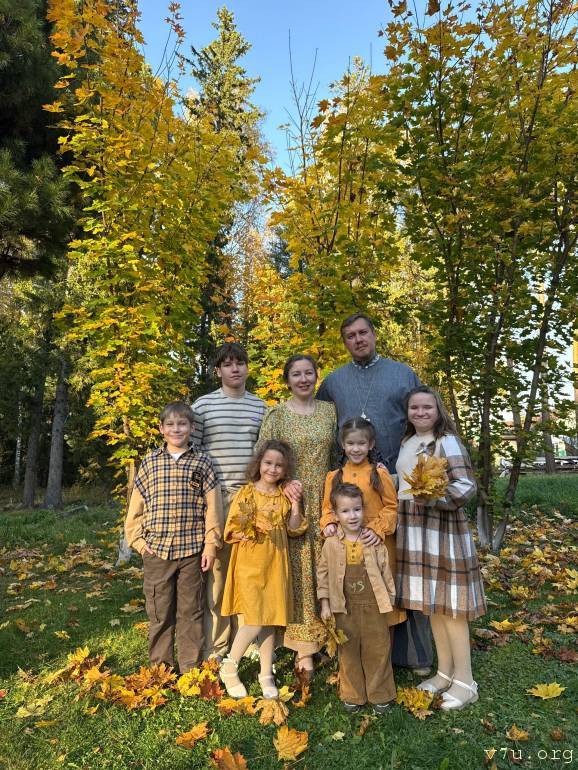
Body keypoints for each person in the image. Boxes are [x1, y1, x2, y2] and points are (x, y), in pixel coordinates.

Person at [316, 312, 432, 672]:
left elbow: (422, 417)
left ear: (374, 334)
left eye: (363, 332)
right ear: (344, 342)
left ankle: (414, 654)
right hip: (352, 489)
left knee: (403, 566)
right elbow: (322, 424)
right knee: (361, 569)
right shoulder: (333, 382)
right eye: (350, 336)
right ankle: (358, 645)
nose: (358, 339)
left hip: (397, 481)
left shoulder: (402, 374)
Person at [396, 386, 486, 710]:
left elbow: (466, 485)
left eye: (427, 407)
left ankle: (465, 681)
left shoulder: (446, 441)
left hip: (442, 530)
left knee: (452, 607)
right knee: (433, 605)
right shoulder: (407, 442)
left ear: (438, 411)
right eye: (414, 407)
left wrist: (435, 499)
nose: (420, 413)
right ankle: (444, 673)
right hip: (414, 530)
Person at [125, 401, 222, 672]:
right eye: (170, 424)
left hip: (192, 552)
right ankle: (162, 669)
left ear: (192, 428)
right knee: (160, 612)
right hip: (157, 551)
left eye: (182, 424)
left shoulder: (202, 462)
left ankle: (191, 669)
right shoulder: (150, 462)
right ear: (161, 428)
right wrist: (139, 543)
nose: (176, 429)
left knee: (191, 612)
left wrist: (210, 545)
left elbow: (213, 508)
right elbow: (135, 507)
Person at [258, 354, 336, 677]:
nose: (303, 379)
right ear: (287, 380)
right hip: (291, 499)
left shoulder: (330, 411)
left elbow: (339, 453)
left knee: (326, 567)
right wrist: (285, 483)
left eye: (308, 373)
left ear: (316, 376)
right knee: (300, 570)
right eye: (296, 374)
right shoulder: (276, 415)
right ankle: (302, 649)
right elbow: (264, 460)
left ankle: (329, 637)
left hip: (326, 498)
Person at [192, 342, 266, 660]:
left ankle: (246, 641)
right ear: (218, 370)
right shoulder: (203, 406)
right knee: (218, 574)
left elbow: (265, 456)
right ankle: (217, 645)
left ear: (247, 368)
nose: (235, 369)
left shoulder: (260, 407)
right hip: (216, 498)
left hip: (249, 499)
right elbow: (193, 453)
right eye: (228, 364)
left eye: (240, 363)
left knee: (249, 572)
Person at [219, 439, 307, 699]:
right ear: (259, 463)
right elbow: (232, 529)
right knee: (255, 619)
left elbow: (294, 529)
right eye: (268, 463)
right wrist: (246, 531)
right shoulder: (246, 493)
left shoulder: (283, 494)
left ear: (285, 469)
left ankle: (266, 673)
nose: (272, 469)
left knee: (270, 619)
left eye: (279, 465)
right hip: (250, 563)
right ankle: (229, 666)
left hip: (276, 564)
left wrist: (296, 504)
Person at [317, 483, 397, 714]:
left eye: (357, 509)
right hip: (343, 606)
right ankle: (353, 694)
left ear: (363, 510)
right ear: (335, 515)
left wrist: (389, 597)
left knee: (378, 648)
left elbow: (385, 570)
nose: (352, 516)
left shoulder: (373, 541)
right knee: (348, 650)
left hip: (373, 605)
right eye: (345, 511)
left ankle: (380, 693)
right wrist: (325, 604)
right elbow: (323, 574)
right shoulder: (331, 544)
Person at [320, 416, 405, 627]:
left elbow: (392, 507)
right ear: (343, 444)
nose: (356, 449)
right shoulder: (334, 476)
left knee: (382, 601)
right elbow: (328, 508)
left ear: (371, 444)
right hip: (346, 547)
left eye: (361, 443)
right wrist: (329, 523)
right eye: (350, 443)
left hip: (376, 543)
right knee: (352, 598)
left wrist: (377, 529)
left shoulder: (379, 474)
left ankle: (385, 648)